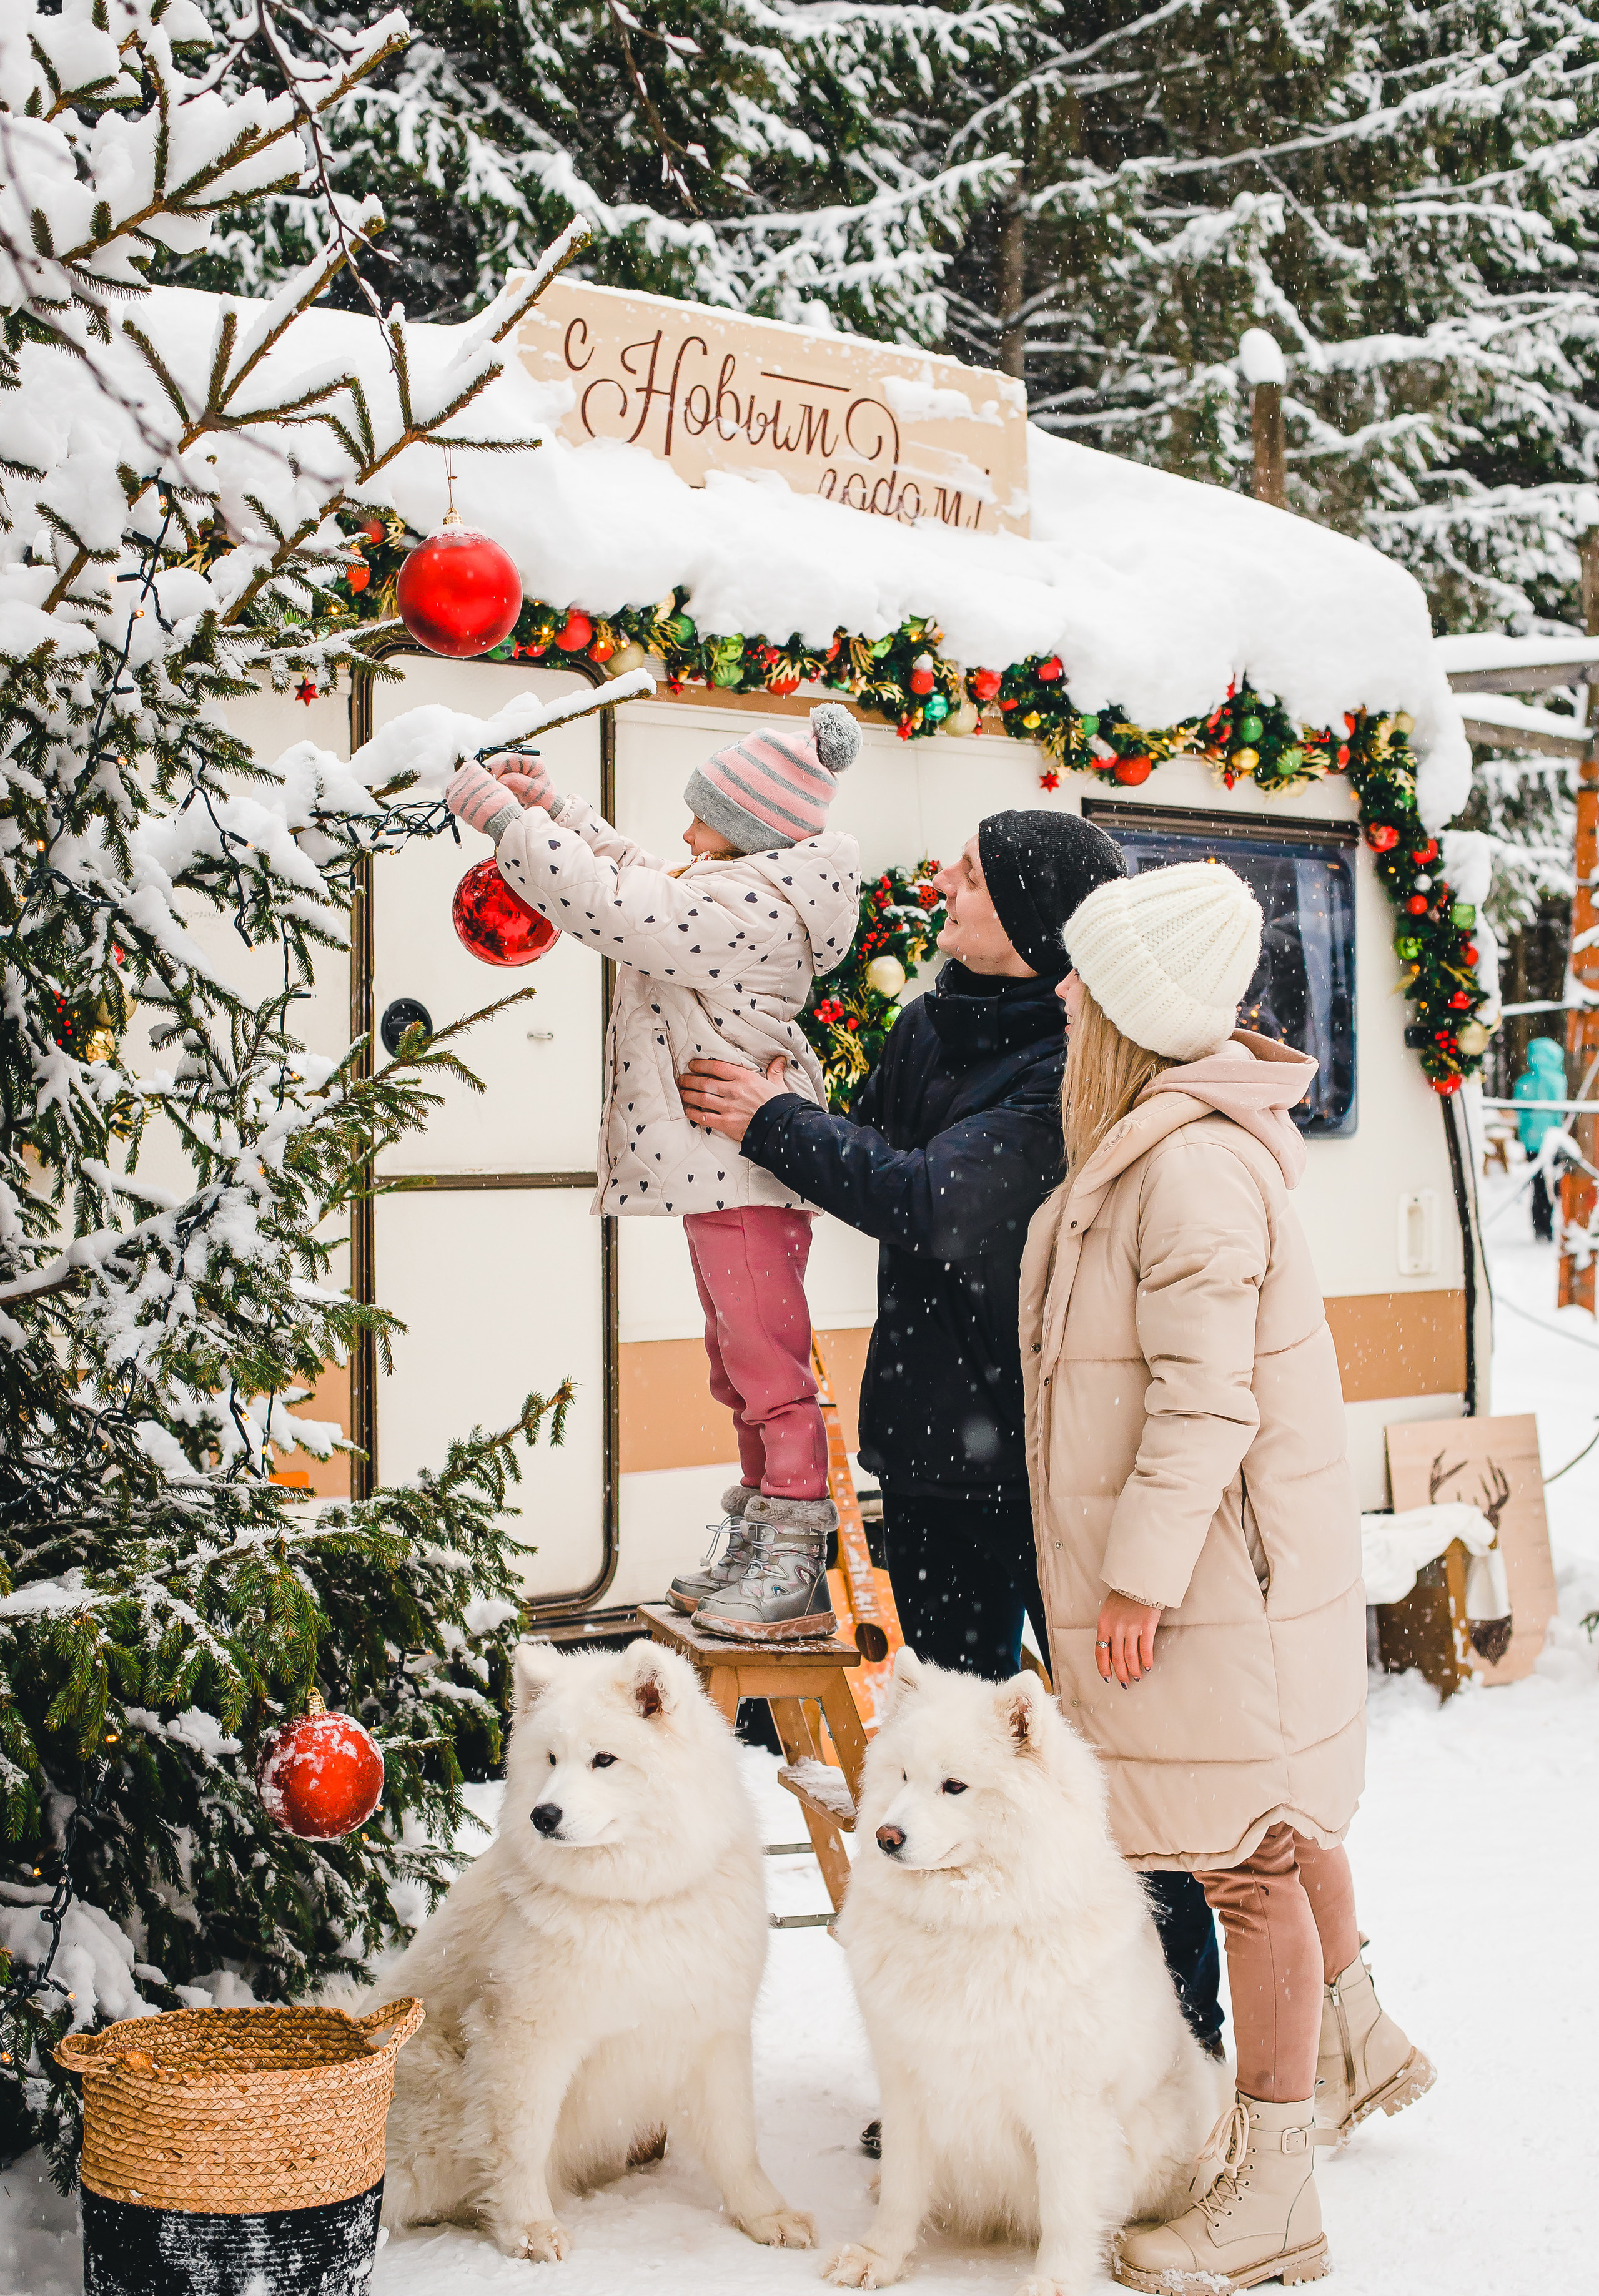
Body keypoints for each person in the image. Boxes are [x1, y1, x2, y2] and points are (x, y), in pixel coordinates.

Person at [678, 809, 1223, 2057]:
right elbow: (865, 1158)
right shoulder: (929, 1026)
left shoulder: (1071, 1058)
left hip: (1050, 1470)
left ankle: (1177, 2045)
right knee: (945, 1776)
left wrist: (768, 1119)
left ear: (1031, 921)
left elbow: (930, 1202)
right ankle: (966, 2056)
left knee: (1113, 1768)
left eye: (966, 872)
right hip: (928, 1461)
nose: (938, 879)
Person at [1021, 860, 1435, 2296]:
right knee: (1280, 1814)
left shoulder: (1186, 1163)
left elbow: (1200, 1407)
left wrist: (1131, 1580)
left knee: (1241, 1861)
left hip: (1210, 1580)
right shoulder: (1172, 1139)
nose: (1059, 991)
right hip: (1239, 1571)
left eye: (1081, 973)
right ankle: (1352, 2044)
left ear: (1133, 1002)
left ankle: (1269, 2204)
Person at [444, 706, 861, 1639]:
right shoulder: (740, 885)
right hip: (723, 1173)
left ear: (753, 829)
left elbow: (625, 910)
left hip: (744, 1175)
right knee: (737, 1362)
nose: (685, 830)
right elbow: (643, 875)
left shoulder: (752, 908)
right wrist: (558, 809)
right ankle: (760, 1536)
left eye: (704, 815)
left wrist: (512, 829)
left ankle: (791, 1555)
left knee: (768, 1366)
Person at [1513, 1033, 1566, 1241]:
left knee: (1539, 1186)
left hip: (1532, 1143)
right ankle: (1551, 1226)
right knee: (1554, 1185)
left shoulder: (1524, 1082)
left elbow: (1521, 1114)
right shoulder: (1557, 1080)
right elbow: (1558, 1113)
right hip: (1553, 1142)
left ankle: (1541, 1228)